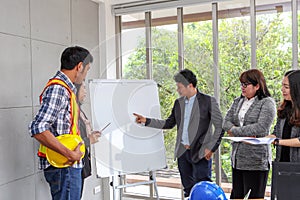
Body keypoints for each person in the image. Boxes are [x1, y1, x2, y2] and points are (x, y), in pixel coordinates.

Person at [134, 69, 223, 198]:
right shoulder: (178, 103)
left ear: (190, 86)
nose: (178, 90)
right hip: (183, 153)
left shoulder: (208, 101)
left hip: (201, 153)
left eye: (180, 87)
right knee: (188, 190)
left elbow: (220, 127)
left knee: (203, 191)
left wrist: (211, 148)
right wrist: (146, 121)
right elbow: (169, 123)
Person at [29, 46, 93, 200]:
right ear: (79, 67)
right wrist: (69, 154)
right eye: (87, 69)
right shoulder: (59, 89)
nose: (85, 75)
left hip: (67, 165)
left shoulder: (66, 89)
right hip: (65, 166)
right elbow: (38, 127)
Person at [223, 69, 276, 199]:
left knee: (254, 197)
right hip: (237, 159)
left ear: (257, 86)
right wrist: (242, 133)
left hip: (256, 161)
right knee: (236, 196)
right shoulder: (238, 101)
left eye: (245, 84)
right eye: (241, 84)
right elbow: (225, 122)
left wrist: (234, 132)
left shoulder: (267, 103)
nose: (242, 87)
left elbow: (261, 128)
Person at [75, 82, 101, 198]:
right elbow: (70, 141)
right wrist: (88, 140)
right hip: (72, 164)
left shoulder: (79, 110)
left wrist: (91, 135)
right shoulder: (72, 112)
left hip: (82, 163)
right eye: (83, 89)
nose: (85, 92)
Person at [269, 70, 300, 161]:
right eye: (282, 86)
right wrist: (260, 139)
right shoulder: (284, 108)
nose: (282, 89)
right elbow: (276, 134)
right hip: (281, 163)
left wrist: (278, 142)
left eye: (286, 87)